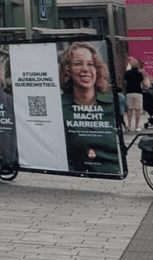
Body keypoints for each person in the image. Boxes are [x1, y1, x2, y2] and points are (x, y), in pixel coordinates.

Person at [59, 42, 121, 174]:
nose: (85, 69)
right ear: (68, 69)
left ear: (97, 69)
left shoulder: (114, 103)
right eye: (78, 64)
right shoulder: (59, 108)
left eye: (90, 64)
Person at [123, 58, 145, 132]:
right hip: (138, 92)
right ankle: (136, 126)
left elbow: (125, 81)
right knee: (137, 110)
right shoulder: (139, 73)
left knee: (129, 110)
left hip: (129, 92)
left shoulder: (127, 73)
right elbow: (143, 83)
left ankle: (129, 125)